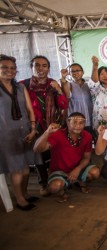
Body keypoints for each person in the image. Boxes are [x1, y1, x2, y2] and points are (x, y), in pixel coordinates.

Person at [21, 55, 68, 196]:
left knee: (53, 153)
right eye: (37, 65)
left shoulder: (52, 84)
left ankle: (56, 179)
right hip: (34, 126)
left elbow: (64, 104)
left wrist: (59, 90)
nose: (40, 68)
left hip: (53, 124)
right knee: (39, 156)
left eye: (44, 65)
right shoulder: (23, 85)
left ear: (48, 68)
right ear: (32, 67)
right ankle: (43, 183)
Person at [33, 112, 100, 202]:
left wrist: (77, 169)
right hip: (59, 170)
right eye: (74, 122)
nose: (78, 125)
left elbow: (86, 158)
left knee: (95, 172)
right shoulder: (58, 134)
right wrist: (47, 132)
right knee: (54, 187)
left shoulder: (87, 136)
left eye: (81, 123)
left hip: (77, 167)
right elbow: (36, 149)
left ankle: (80, 181)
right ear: (68, 123)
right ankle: (61, 192)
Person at [0, 55, 38, 211]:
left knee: (26, 166)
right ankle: (20, 199)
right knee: (16, 168)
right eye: (4, 67)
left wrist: (34, 128)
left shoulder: (20, 88)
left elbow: (29, 109)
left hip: (25, 130)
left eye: (12, 68)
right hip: (5, 135)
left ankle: (26, 193)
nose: (9, 71)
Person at [60, 63, 94, 136]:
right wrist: (63, 77)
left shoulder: (88, 84)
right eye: (73, 71)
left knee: (89, 141)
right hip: (76, 122)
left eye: (77, 70)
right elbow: (67, 94)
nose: (75, 73)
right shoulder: (70, 85)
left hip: (90, 119)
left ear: (82, 72)